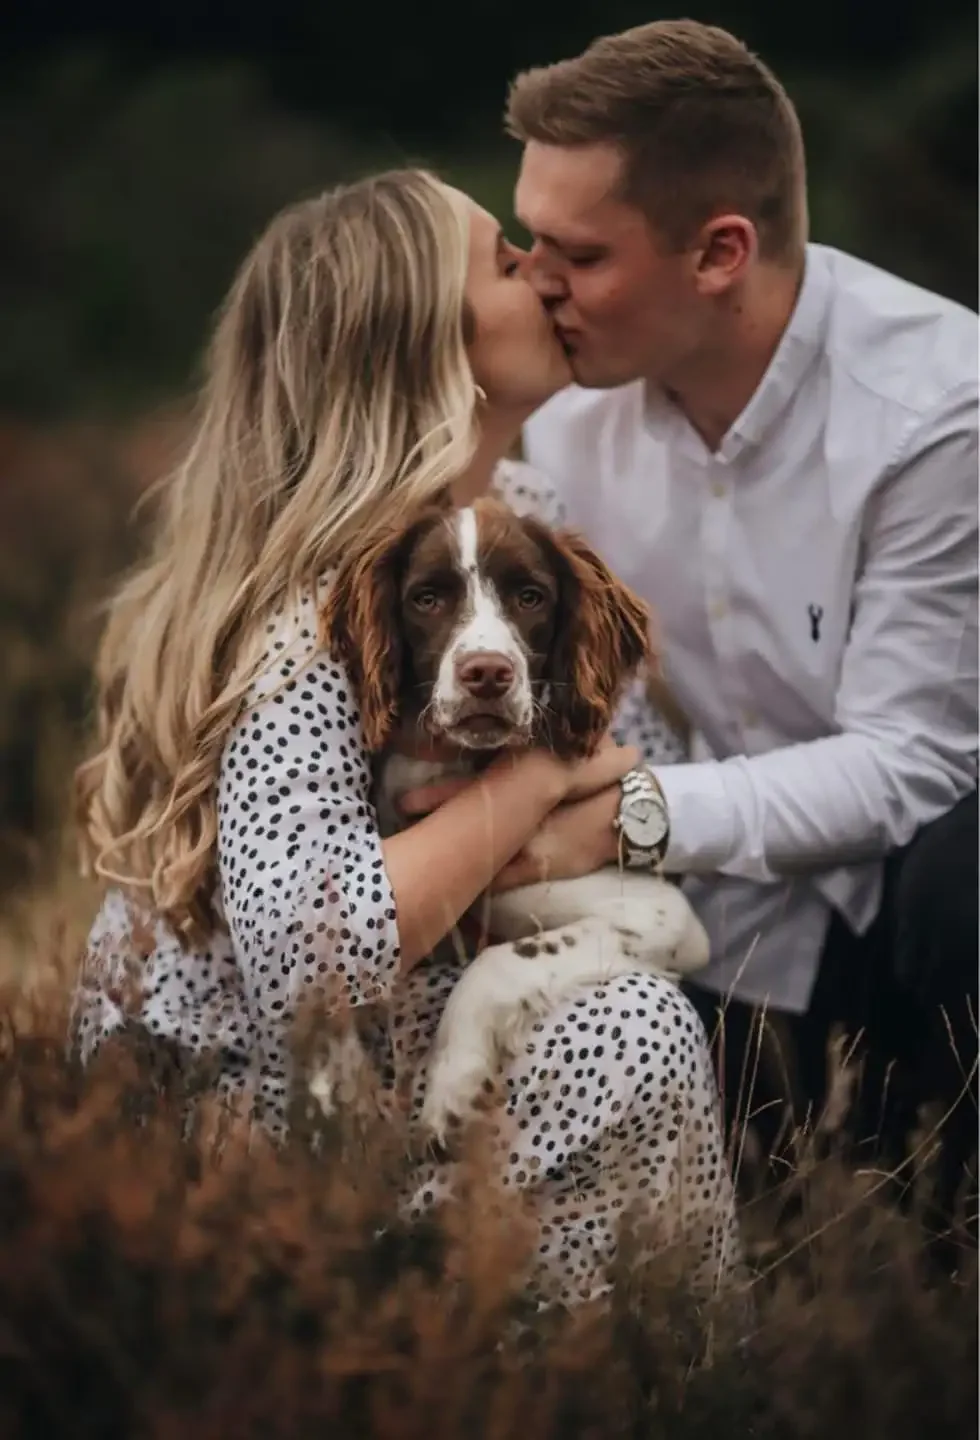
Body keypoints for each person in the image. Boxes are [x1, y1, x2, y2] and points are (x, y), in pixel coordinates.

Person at [70, 168, 741, 1307]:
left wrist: (561, 809)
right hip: (265, 1126)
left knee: (636, 1001)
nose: (539, 269)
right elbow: (320, 960)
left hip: (426, 1057)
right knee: (629, 1023)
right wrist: (535, 785)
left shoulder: (530, 514)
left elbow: (641, 795)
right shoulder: (309, 609)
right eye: (499, 259)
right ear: (424, 343)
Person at [498, 19, 978, 1189]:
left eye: (580, 254)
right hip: (737, 904)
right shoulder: (564, 421)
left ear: (718, 253)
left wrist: (625, 820)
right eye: (525, 242)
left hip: (935, 898)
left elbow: (911, 764)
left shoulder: (933, 411)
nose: (535, 283)